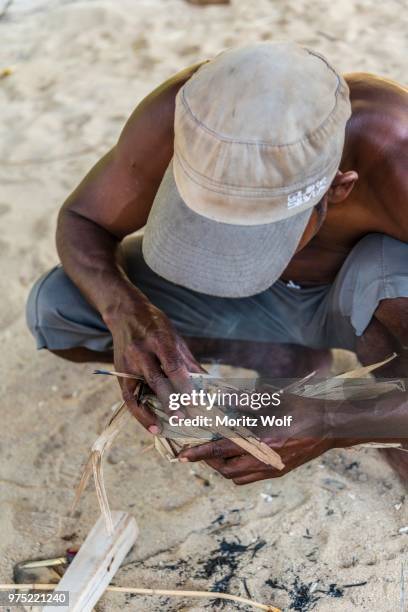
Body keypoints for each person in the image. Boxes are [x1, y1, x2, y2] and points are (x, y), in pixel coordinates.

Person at [26, 43, 408, 484]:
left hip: (351, 301)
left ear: (338, 189)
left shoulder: (396, 155)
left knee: (393, 284)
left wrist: (333, 423)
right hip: (263, 305)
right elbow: (82, 218)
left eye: (261, 233)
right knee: (58, 307)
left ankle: (384, 419)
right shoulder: (191, 114)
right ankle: (287, 358)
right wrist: (128, 315)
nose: (235, 251)